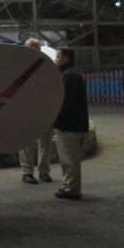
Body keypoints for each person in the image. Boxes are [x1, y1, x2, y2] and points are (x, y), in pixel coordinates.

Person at [52, 47, 89, 201]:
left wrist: (54, 118)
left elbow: (64, 102)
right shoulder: (73, 74)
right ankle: (70, 184)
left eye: (58, 56)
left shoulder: (68, 76)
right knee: (71, 158)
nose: (56, 59)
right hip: (76, 124)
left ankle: (72, 188)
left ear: (66, 58)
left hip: (69, 126)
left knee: (69, 158)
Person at [18, 38, 54, 184]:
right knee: (26, 143)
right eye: (30, 49)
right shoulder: (20, 66)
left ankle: (43, 171)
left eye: (35, 49)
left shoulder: (46, 65)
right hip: (26, 109)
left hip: (44, 108)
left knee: (45, 142)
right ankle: (27, 172)